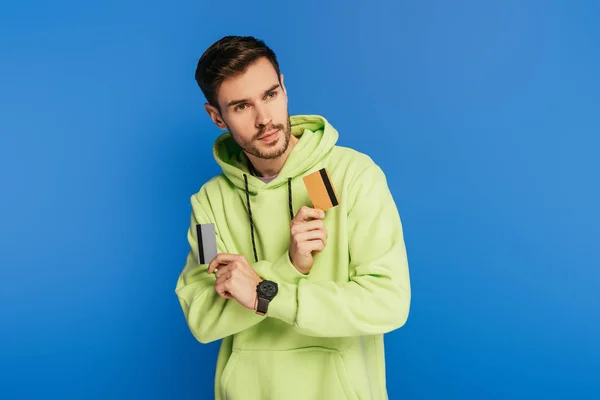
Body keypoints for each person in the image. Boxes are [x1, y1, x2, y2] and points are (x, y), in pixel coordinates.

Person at [175, 35, 411, 400]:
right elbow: (204, 316)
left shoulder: (352, 176)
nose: (264, 119)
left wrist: (265, 295)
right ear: (216, 116)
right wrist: (287, 268)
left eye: (270, 95)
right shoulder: (209, 205)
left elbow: (388, 301)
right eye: (241, 106)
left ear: (284, 87)